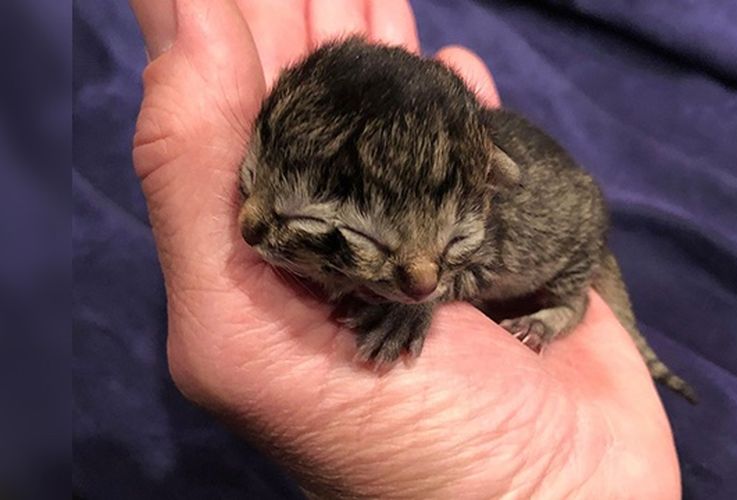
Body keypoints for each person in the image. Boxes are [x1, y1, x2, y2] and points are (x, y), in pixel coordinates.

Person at [128, 0, 681, 497]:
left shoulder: (469, 217)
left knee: (569, 226)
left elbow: (430, 274)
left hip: (562, 236)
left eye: (442, 248)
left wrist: (413, 310)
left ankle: (566, 307)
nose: (422, 281)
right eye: (250, 178)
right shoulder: (284, 203)